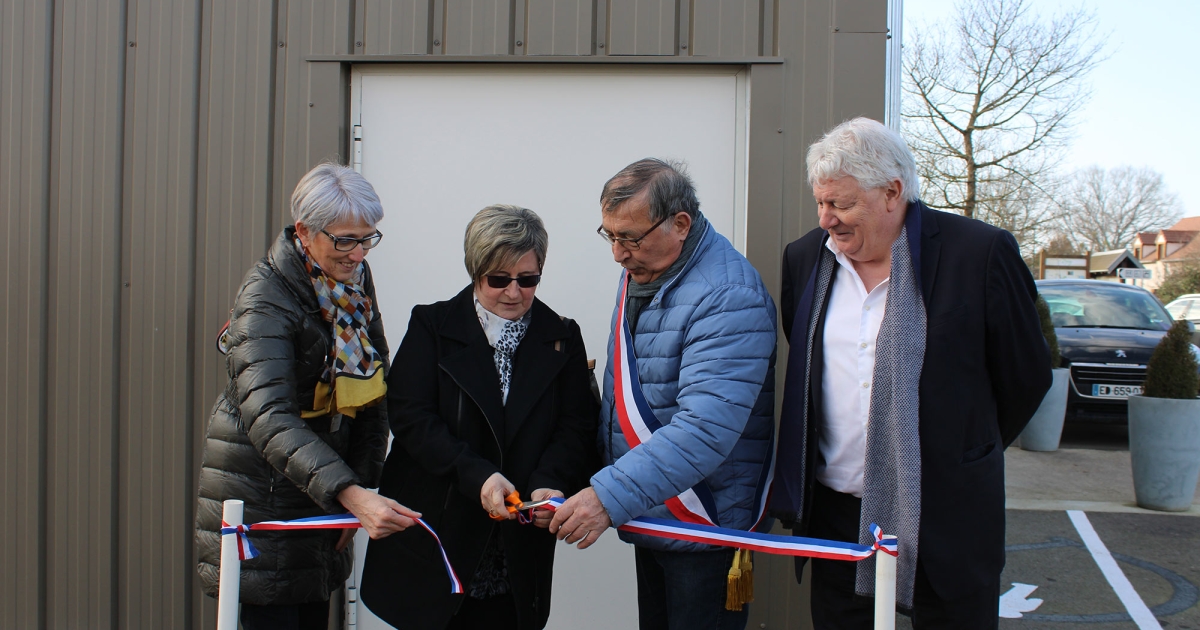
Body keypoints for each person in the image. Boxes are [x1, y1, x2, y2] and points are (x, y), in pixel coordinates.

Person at [769, 117, 1052, 629]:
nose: (826, 218)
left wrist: (959, 452)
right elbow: (809, 363)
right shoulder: (806, 258)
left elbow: (1025, 378)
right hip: (836, 515)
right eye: (821, 202)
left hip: (947, 513)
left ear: (893, 192)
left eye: (841, 203)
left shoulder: (980, 254)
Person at [549, 159, 778, 630]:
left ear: (680, 224)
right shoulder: (649, 267)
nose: (617, 253)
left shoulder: (727, 294)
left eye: (630, 237)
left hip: (701, 520)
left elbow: (705, 429)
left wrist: (607, 496)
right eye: (609, 235)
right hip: (656, 507)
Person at [195, 162, 420, 630]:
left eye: (368, 238)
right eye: (345, 240)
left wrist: (356, 487)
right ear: (304, 230)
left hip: (319, 492)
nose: (358, 253)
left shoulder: (350, 282)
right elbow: (268, 416)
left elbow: (373, 390)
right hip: (265, 496)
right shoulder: (265, 298)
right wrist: (350, 494)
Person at [360, 205, 600, 630]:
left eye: (528, 280)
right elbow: (412, 418)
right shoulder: (432, 325)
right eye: (498, 280)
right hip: (440, 537)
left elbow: (575, 426)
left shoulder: (563, 336)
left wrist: (551, 481)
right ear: (475, 272)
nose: (513, 292)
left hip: (515, 550)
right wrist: (479, 476)